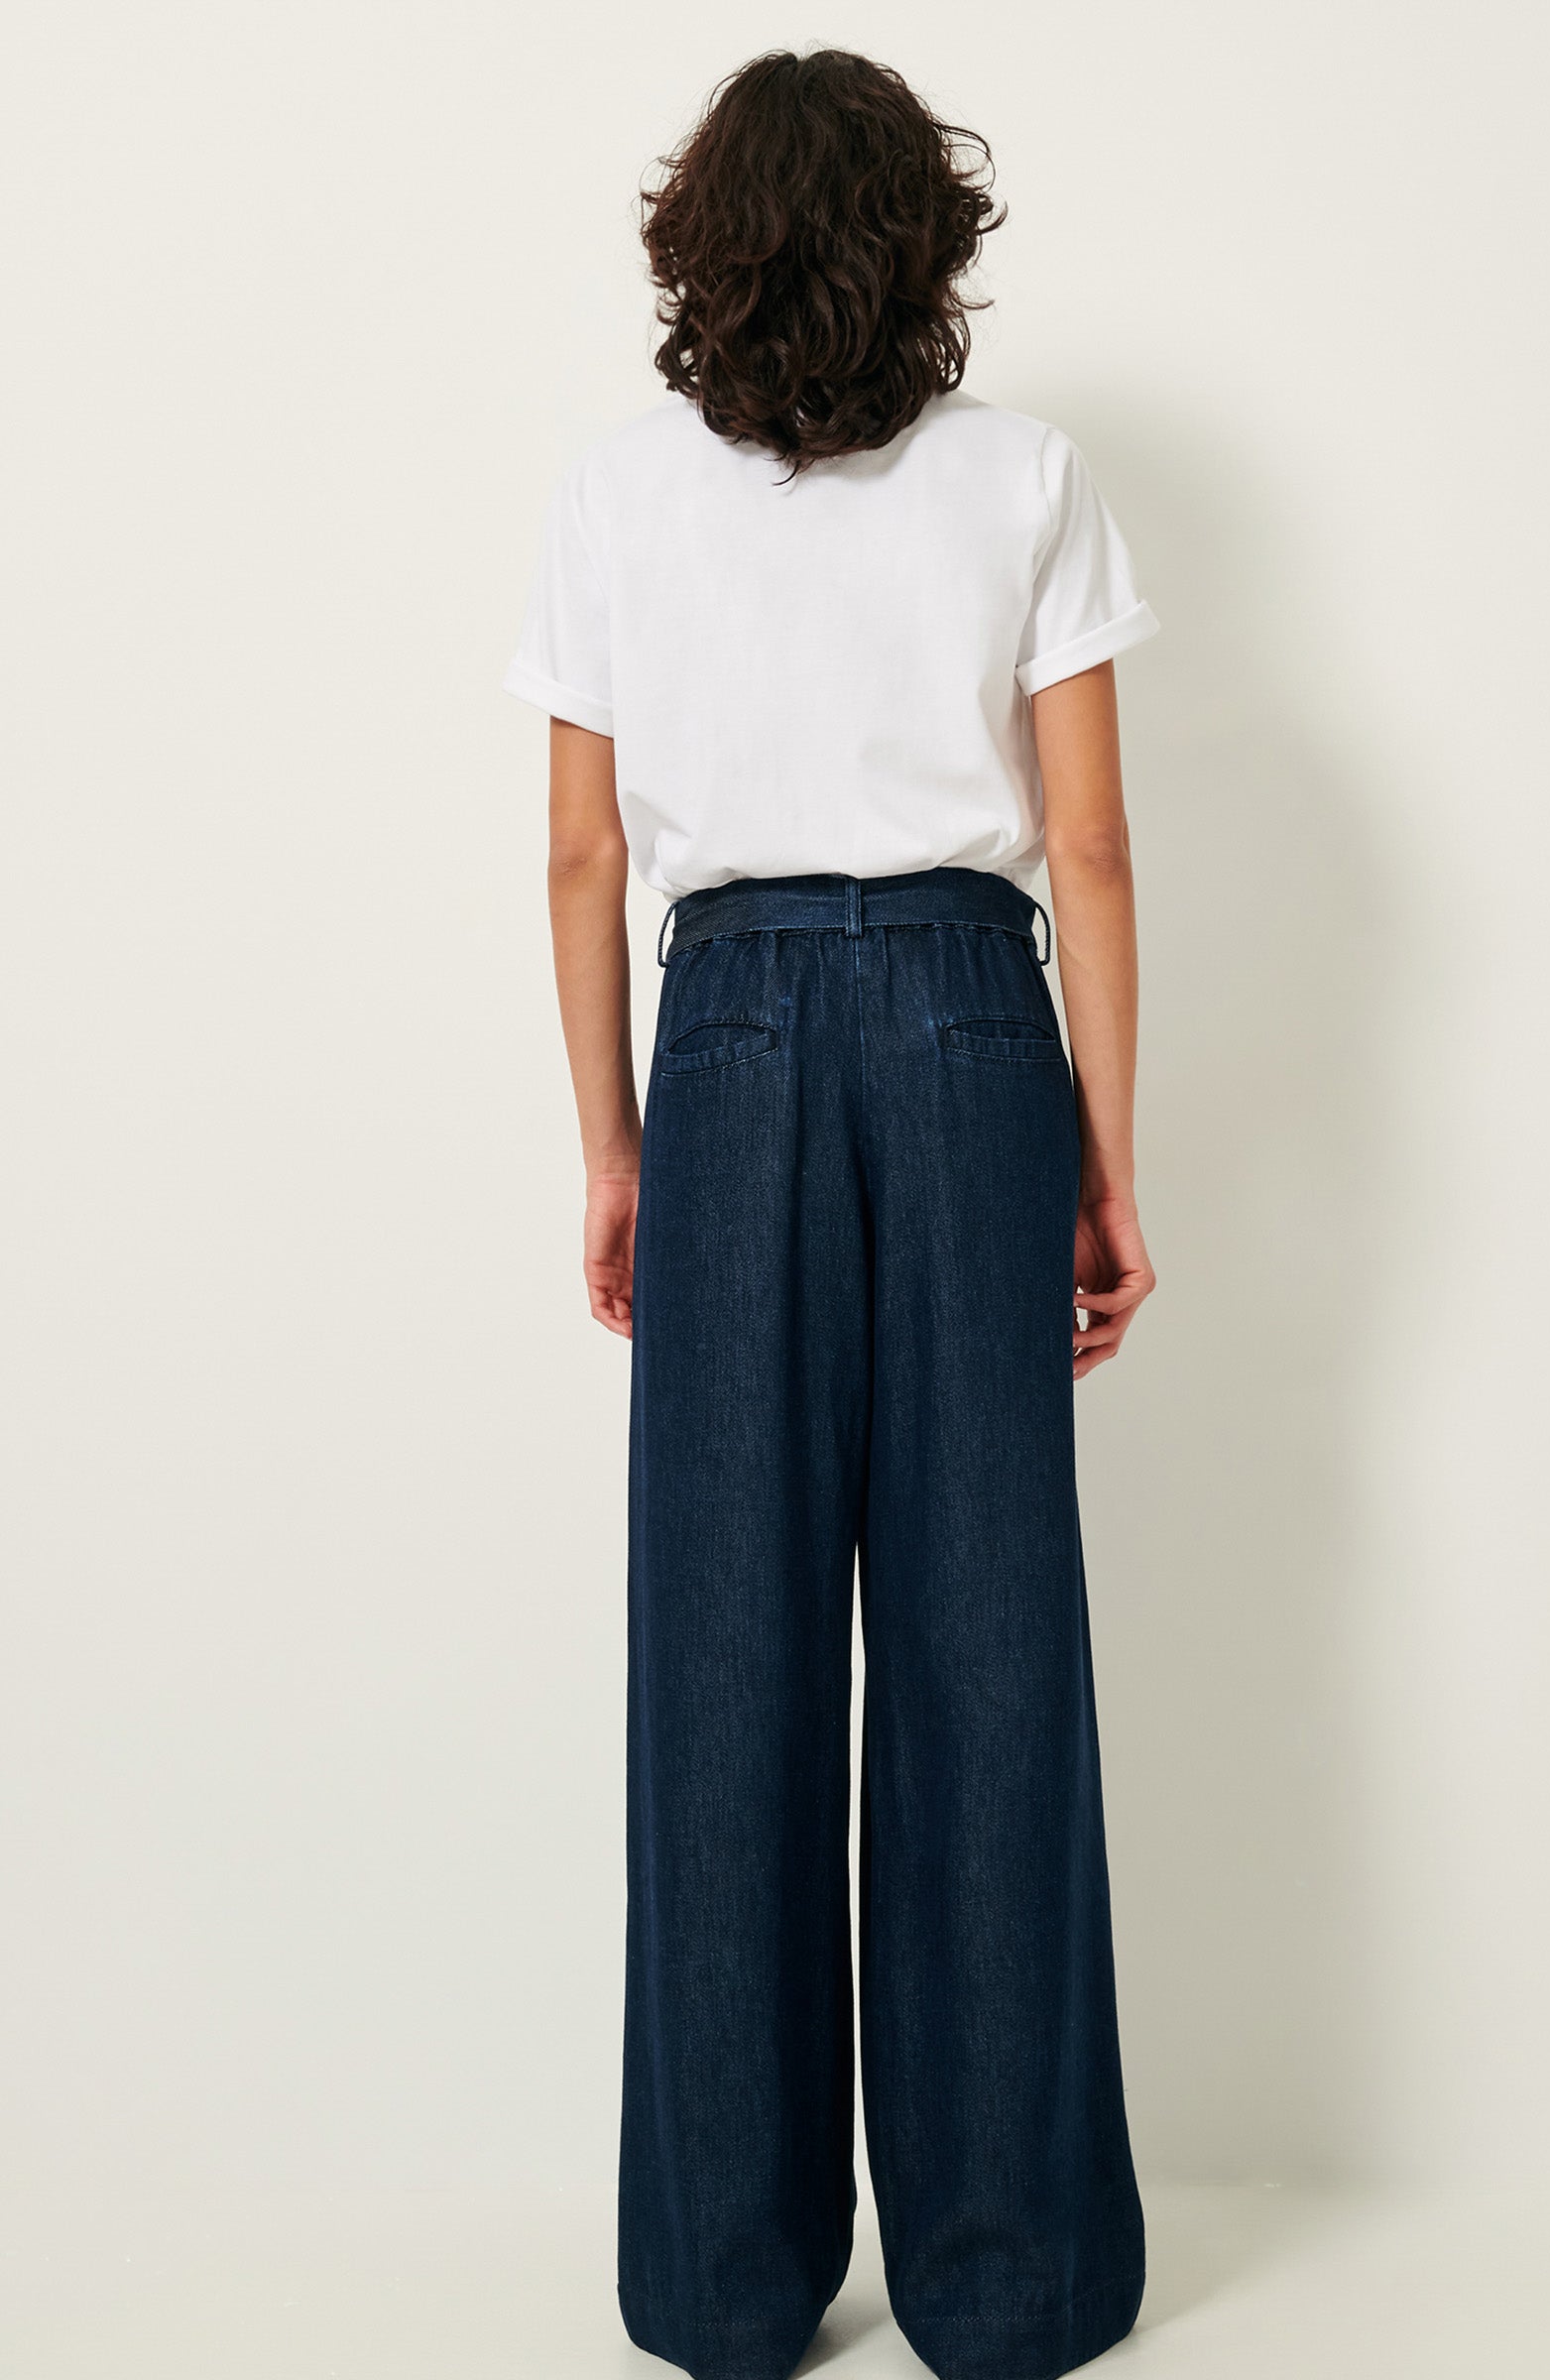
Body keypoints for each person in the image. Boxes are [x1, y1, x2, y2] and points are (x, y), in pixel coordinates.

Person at [503, 47, 1159, 2380]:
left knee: (723, 1657)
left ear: (703, 243)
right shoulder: (1023, 483)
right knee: (988, 1652)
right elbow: (1080, 851)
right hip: (980, 1038)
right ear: (928, 240)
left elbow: (583, 859)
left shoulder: (608, 498)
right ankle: (1004, 2288)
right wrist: (1097, 1149)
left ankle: (723, 2281)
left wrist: (618, 1145)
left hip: (740, 1037)